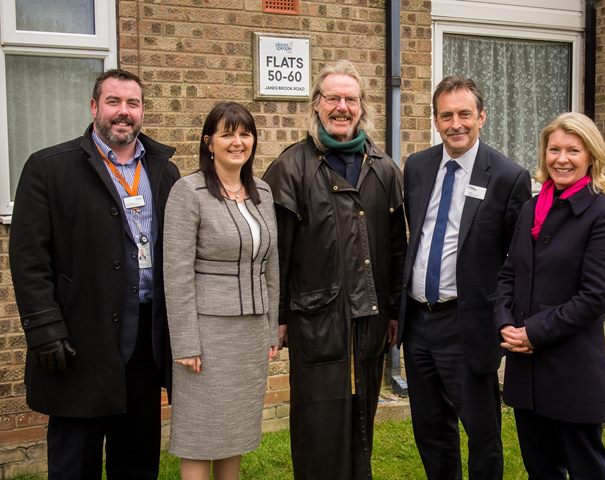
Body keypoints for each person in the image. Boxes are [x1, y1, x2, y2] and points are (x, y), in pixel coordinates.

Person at [9, 69, 180, 479]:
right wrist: (44, 328)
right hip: (77, 343)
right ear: (94, 107)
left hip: (144, 344)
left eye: (133, 104)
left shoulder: (163, 171)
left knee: (136, 459)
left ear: (142, 112)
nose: (124, 112)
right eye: (114, 102)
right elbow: (29, 259)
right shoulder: (48, 168)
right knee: (75, 463)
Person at [262, 59, 406, 480]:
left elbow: (398, 246)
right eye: (333, 98)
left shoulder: (384, 168)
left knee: (363, 420)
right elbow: (278, 252)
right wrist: (280, 317)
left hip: (370, 321)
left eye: (351, 99)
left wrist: (395, 309)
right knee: (318, 425)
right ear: (317, 105)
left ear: (362, 107)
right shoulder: (292, 167)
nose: (342, 107)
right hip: (316, 322)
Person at [398, 76, 531, 480]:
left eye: (464, 114)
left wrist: (509, 319)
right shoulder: (417, 167)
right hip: (419, 322)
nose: (456, 124)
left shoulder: (508, 176)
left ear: (481, 117)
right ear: (436, 121)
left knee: (482, 431)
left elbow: (518, 261)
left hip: (469, 322)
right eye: (446, 115)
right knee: (430, 430)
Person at [494, 112, 605, 479]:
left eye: (573, 150)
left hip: (571, 371)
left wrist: (532, 332)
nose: (561, 159)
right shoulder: (530, 209)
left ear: (591, 157)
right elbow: (509, 274)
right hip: (526, 371)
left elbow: (594, 298)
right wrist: (504, 323)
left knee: (587, 470)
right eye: (554, 149)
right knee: (541, 470)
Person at [163, 102, 279, 480]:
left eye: (245, 133)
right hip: (207, 336)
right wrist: (185, 343)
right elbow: (176, 271)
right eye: (227, 133)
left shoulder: (261, 190)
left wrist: (271, 327)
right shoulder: (188, 191)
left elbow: (271, 265)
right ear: (208, 142)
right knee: (200, 435)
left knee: (235, 434)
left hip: (250, 335)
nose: (237, 142)